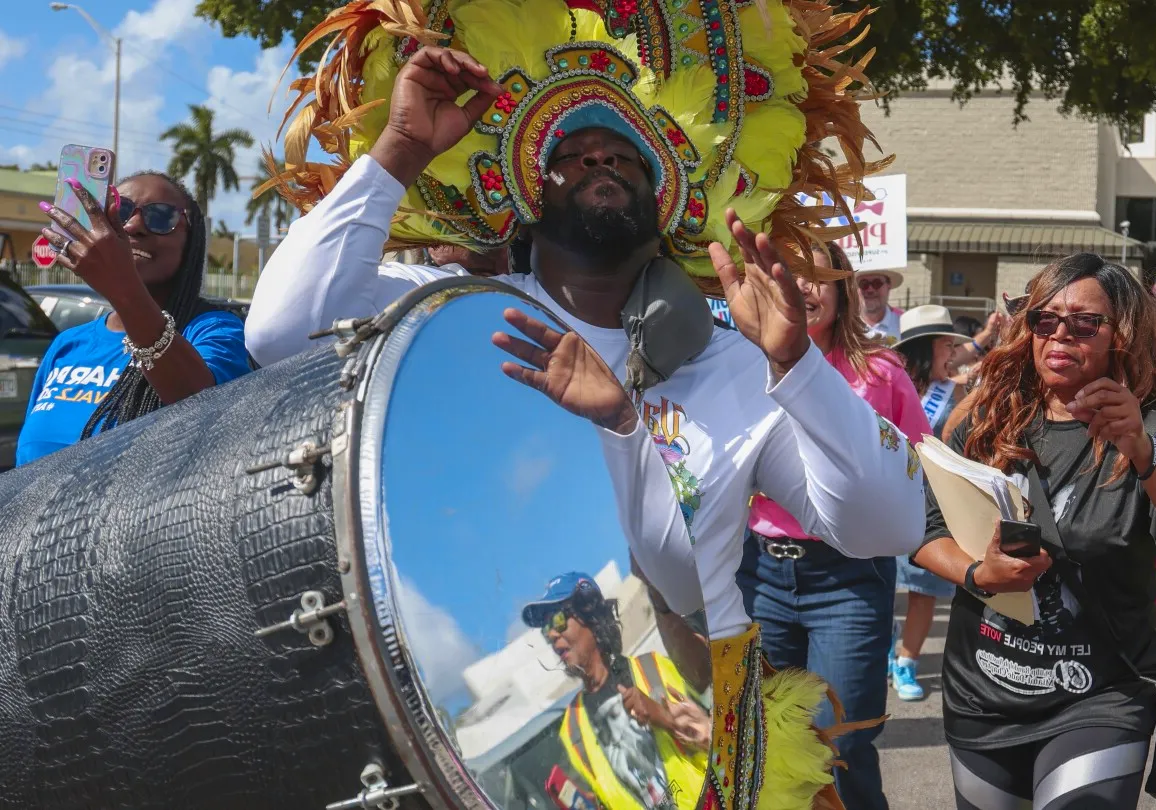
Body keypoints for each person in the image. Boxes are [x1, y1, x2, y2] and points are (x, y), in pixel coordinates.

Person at [245, 2, 924, 805]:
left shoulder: (732, 360)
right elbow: (279, 332)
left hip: (710, 737)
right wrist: (398, 152)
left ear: (667, 190)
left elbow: (888, 526)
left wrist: (796, 364)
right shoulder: (458, 315)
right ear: (528, 194)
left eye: (625, 153)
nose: (601, 158)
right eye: (571, 153)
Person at [912, 253, 1156, 808]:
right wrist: (976, 573)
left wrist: (1141, 448)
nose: (1061, 334)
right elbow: (925, 529)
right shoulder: (987, 417)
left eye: (1084, 323)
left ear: (1120, 336)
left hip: (1100, 694)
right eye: (1045, 319)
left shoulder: (1155, 427)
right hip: (983, 693)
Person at [739, 243, 928, 809]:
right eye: (791, 271)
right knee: (766, 741)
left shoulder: (882, 370)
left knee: (840, 743)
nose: (806, 285)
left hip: (849, 580)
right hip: (760, 576)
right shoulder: (738, 364)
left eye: (820, 274)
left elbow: (920, 462)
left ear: (844, 287)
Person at [18, 172, 250, 465]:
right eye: (121, 210)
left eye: (162, 217)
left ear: (191, 241)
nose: (134, 225)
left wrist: (123, 287)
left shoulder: (215, 330)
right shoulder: (68, 344)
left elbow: (203, 410)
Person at [522, 572, 709, 810]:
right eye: (545, 629)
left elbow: (722, 737)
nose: (551, 634)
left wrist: (666, 719)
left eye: (557, 620)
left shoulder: (652, 669)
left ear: (590, 615)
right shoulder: (572, 729)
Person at [888, 303, 971, 702]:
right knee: (881, 586)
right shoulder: (887, 383)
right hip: (885, 504)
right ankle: (887, 647)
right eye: (947, 344)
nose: (954, 352)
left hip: (931, 508)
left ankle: (907, 660)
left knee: (924, 590)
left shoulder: (958, 391)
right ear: (927, 347)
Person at [856, 267, 905, 344]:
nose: (870, 290)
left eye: (877, 283)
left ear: (888, 286)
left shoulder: (904, 324)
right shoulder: (844, 328)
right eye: (863, 284)